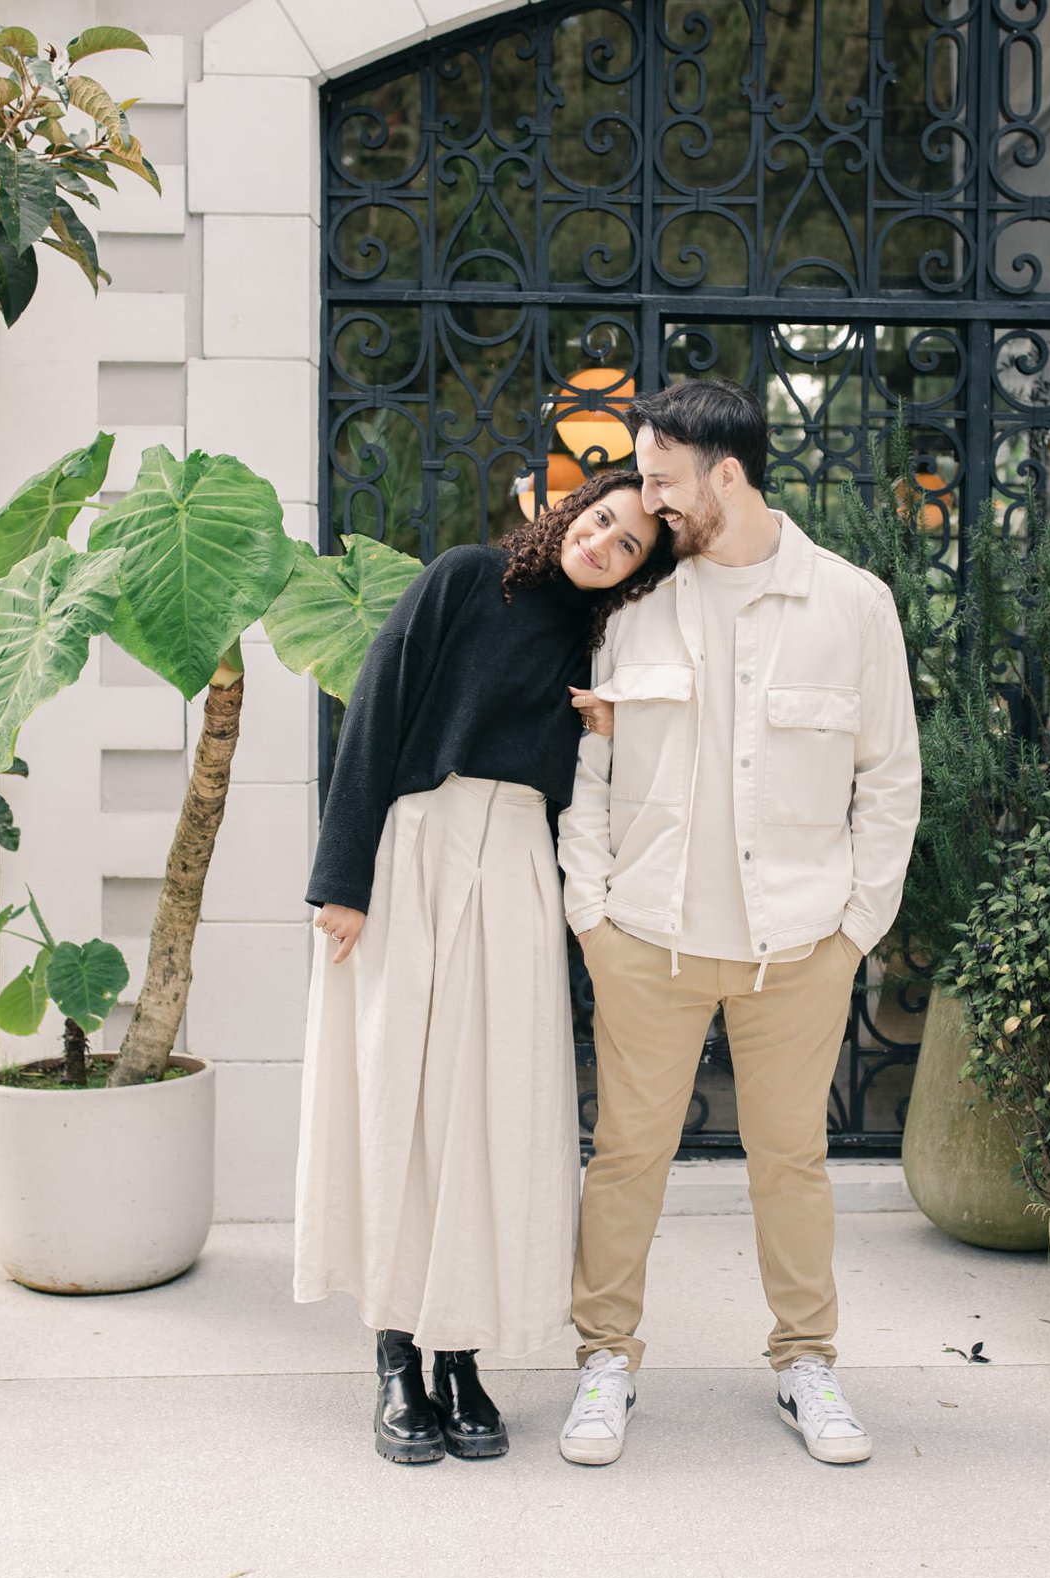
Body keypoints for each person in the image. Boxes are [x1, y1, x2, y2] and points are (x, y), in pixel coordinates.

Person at [556, 379, 921, 1467]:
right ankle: (604, 1360)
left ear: (727, 473)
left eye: (661, 478)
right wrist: (591, 913)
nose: (643, 497)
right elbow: (589, 767)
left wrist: (856, 925)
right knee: (625, 1155)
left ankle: (805, 1359)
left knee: (790, 1157)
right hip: (645, 937)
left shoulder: (852, 604)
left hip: (800, 944)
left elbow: (889, 776)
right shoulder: (631, 606)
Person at [295, 473, 674, 1467]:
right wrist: (343, 876)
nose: (604, 542)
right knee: (397, 1101)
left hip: (513, 864)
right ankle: (393, 1358)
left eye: (629, 542)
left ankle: (458, 1355)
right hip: (410, 844)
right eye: (599, 519)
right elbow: (374, 710)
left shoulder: (601, 648)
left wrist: (609, 729)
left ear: (638, 572)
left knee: (485, 1106)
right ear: (567, 514)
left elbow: (621, 786)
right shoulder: (465, 578)